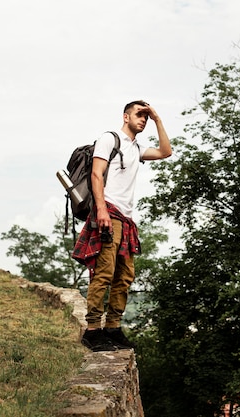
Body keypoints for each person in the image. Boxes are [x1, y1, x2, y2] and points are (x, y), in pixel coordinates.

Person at [72, 100, 172, 352]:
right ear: (125, 116)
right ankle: (93, 330)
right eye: (139, 114)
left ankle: (113, 328)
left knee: (124, 276)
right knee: (104, 273)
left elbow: (165, 152)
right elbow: (96, 174)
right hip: (109, 212)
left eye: (146, 117)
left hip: (126, 219)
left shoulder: (136, 148)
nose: (143, 119)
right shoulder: (110, 138)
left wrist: (158, 119)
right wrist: (102, 210)